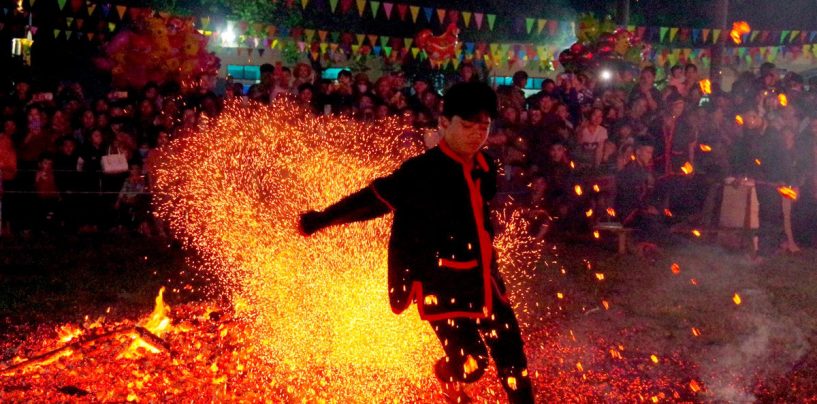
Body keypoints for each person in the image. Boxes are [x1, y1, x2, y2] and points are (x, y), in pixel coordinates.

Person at [298, 82, 534, 403]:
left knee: (513, 357)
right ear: (443, 123)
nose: (477, 134)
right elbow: (373, 200)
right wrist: (322, 219)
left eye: (484, 126)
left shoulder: (486, 166)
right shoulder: (422, 172)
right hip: (441, 283)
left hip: (485, 280)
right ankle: (448, 377)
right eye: (467, 126)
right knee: (472, 362)